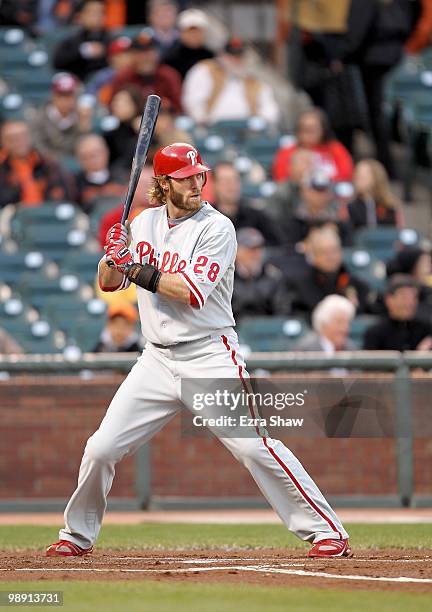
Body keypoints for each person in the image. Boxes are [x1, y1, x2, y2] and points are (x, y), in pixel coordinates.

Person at [46, 141, 352, 560]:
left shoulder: (217, 227)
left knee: (252, 446)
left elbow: (190, 292)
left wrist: (133, 266)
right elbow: (109, 283)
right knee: (101, 448)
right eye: (185, 177)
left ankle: (327, 531)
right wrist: (111, 256)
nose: (196, 183)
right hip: (155, 358)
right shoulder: (144, 221)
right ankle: (75, 536)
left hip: (208, 352)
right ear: (163, 184)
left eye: (198, 175)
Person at [182, 37, 280, 126]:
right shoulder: (205, 70)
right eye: (232, 56)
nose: (236, 60)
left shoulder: (251, 78)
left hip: (247, 129)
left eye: (239, 56)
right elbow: (193, 102)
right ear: (222, 55)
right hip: (213, 127)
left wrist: (260, 121)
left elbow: (270, 109)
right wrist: (202, 120)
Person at [287, 227, 373, 316]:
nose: (331, 257)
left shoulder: (356, 284)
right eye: (324, 252)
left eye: (334, 251)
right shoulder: (300, 286)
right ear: (313, 256)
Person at [0, 120, 75, 208]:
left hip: (48, 214)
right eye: (12, 139)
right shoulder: (2, 168)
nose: (18, 142)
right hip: (11, 216)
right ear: (3, 142)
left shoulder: (47, 164)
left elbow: (66, 193)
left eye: (22, 137)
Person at [272, 108, 353, 184]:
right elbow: (281, 178)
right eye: (304, 128)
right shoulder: (287, 151)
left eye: (312, 129)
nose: (308, 133)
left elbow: (346, 174)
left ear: (323, 130)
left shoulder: (335, 148)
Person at [110, 29, 183, 112]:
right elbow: (114, 107)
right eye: (140, 53)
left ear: (157, 54)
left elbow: (179, 107)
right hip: (131, 122)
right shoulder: (123, 76)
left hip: (164, 120)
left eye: (149, 52)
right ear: (132, 55)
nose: (145, 58)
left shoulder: (168, 75)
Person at [212, 161, 282, 247]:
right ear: (214, 185)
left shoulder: (256, 216)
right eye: (225, 181)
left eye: (235, 180)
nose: (231, 185)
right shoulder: (206, 219)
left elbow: (276, 245)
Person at [29, 72, 94, 158]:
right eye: (62, 95)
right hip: (49, 166)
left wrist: (83, 128)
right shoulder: (39, 118)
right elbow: (38, 147)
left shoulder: (81, 117)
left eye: (70, 95)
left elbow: (86, 149)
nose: (66, 101)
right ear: (54, 96)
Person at [232, 227, 291, 320]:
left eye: (259, 249)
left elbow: (282, 310)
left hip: (268, 330)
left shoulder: (273, 277)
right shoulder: (226, 277)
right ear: (237, 250)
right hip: (233, 330)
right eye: (250, 249)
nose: (255, 254)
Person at [284, 169, 352, 249]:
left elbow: (348, 247)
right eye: (316, 190)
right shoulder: (294, 219)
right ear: (304, 191)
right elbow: (288, 249)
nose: (320, 195)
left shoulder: (338, 220)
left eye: (324, 190)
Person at [363, 274, 432, 350]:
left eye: (414, 297)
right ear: (389, 300)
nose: (410, 302)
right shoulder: (375, 333)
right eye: (404, 297)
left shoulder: (426, 330)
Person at [53, 0, 109, 82]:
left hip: (104, 85)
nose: (97, 16)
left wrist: (105, 53)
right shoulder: (73, 40)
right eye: (92, 12)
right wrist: (82, 51)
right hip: (78, 84)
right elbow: (57, 62)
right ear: (80, 16)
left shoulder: (110, 39)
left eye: (101, 12)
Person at [74, 134, 127, 213]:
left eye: (96, 153)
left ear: (106, 152)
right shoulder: (75, 184)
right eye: (86, 156)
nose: (93, 159)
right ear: (80, 160)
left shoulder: (122, 176)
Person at [347, 159, 404, 229]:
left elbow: (399, 232)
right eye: (357, 175)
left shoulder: (390, 207)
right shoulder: (350, 206)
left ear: (375, 178)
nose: (357, 179)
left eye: (362, 177)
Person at [103, 85, 146, 171]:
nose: (116, 105)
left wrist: (141, 135)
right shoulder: (110, 135)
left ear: (135, 105)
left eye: (124, 102)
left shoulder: (147, 131)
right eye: (115, 101)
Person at [164, 8, 214, 80]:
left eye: (198, 31)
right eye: (189, 31)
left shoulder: (210, 57)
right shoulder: (171, 58)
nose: (194, 35)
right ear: (181, 33)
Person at [386, 247, 432, 324]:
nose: (430, 268)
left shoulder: (428, 290)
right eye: (425, 263)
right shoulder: (394, 288)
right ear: (413, 266)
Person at [86, 36, 134, 105]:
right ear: (111, 58)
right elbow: (89, 97)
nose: (127, 58)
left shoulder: (138, 73)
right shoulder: (103, 76)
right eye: (121, 55)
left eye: (129, 54)